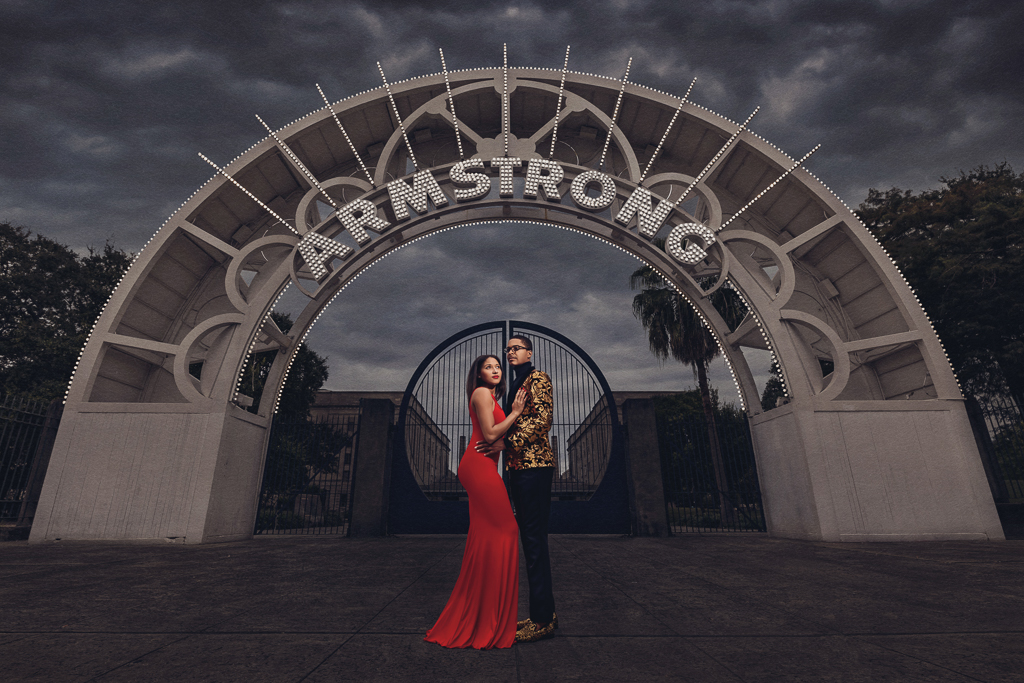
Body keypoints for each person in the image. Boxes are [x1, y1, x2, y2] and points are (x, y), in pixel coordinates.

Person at [424, 355, 527, 649]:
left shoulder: (492, 398)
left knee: (485, 537)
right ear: (478, 374)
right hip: (479, 467)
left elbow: (497, 438)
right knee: (508, 530)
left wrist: (503, 436)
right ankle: (489, 616)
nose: (494, 370)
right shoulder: (481, 394)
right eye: (488, 367)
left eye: (497, 367)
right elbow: (492, 432)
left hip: (484, 465)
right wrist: (516, 412)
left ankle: (485, 615)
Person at [479, 334, 557, 643]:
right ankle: (543, 614)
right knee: (530, 541)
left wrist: (506, 441)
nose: (511, 352)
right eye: (508, 349)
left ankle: (542, 620)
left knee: (535, 542)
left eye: (517, 348)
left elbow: (542, 420)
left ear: (529, 352)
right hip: (518, 468)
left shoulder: (538, 378)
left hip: (535, 468)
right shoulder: (517, 383)